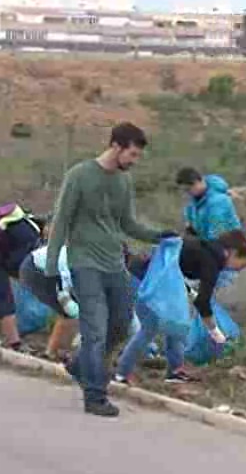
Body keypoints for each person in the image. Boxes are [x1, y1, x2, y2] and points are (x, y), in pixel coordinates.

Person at [45, 122, 175, 417]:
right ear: (115, 146)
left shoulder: (123, 182)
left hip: (114, 264)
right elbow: (62, 219)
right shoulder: (79, 176)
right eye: (132, 154)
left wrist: (158, 235)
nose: (134, 161)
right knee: (95, 330)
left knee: (121, 324)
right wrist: (53, 264)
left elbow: (127, 223)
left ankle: (80, 366)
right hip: (84, 263)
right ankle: (95, 396)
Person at [115, 230, 246, 385]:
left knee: (176, 327)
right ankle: (121, 373)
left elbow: (177, 266)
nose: (237, 270)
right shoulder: (212, 261)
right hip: (149, 281)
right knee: (150, 328)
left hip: (153, 278)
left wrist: (189, 292)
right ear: (233, 253)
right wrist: (215, 332)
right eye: (241, 265)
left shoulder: (206, 249)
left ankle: (174, 372)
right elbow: (203, 302)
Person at [0, 204, 46, 351]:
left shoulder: (25, 223)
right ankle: (15, 345)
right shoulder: (30, 235)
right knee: (4, 302)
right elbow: (17, 262)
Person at [19, 240, 79, 362]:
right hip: (35, 270)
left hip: (49, 268)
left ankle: (58, 351)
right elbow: (65, 286)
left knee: (73, 311)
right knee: (70, 312)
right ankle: (52, 352)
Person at [175, 168, 243, 241]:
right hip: (208, 243)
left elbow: (217, 233)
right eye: (184, 190)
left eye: (188, 189)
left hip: (228, 244)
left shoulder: (218, 201)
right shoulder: (192, 204)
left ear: (197, 182)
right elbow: (191, 229)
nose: (187, 193)